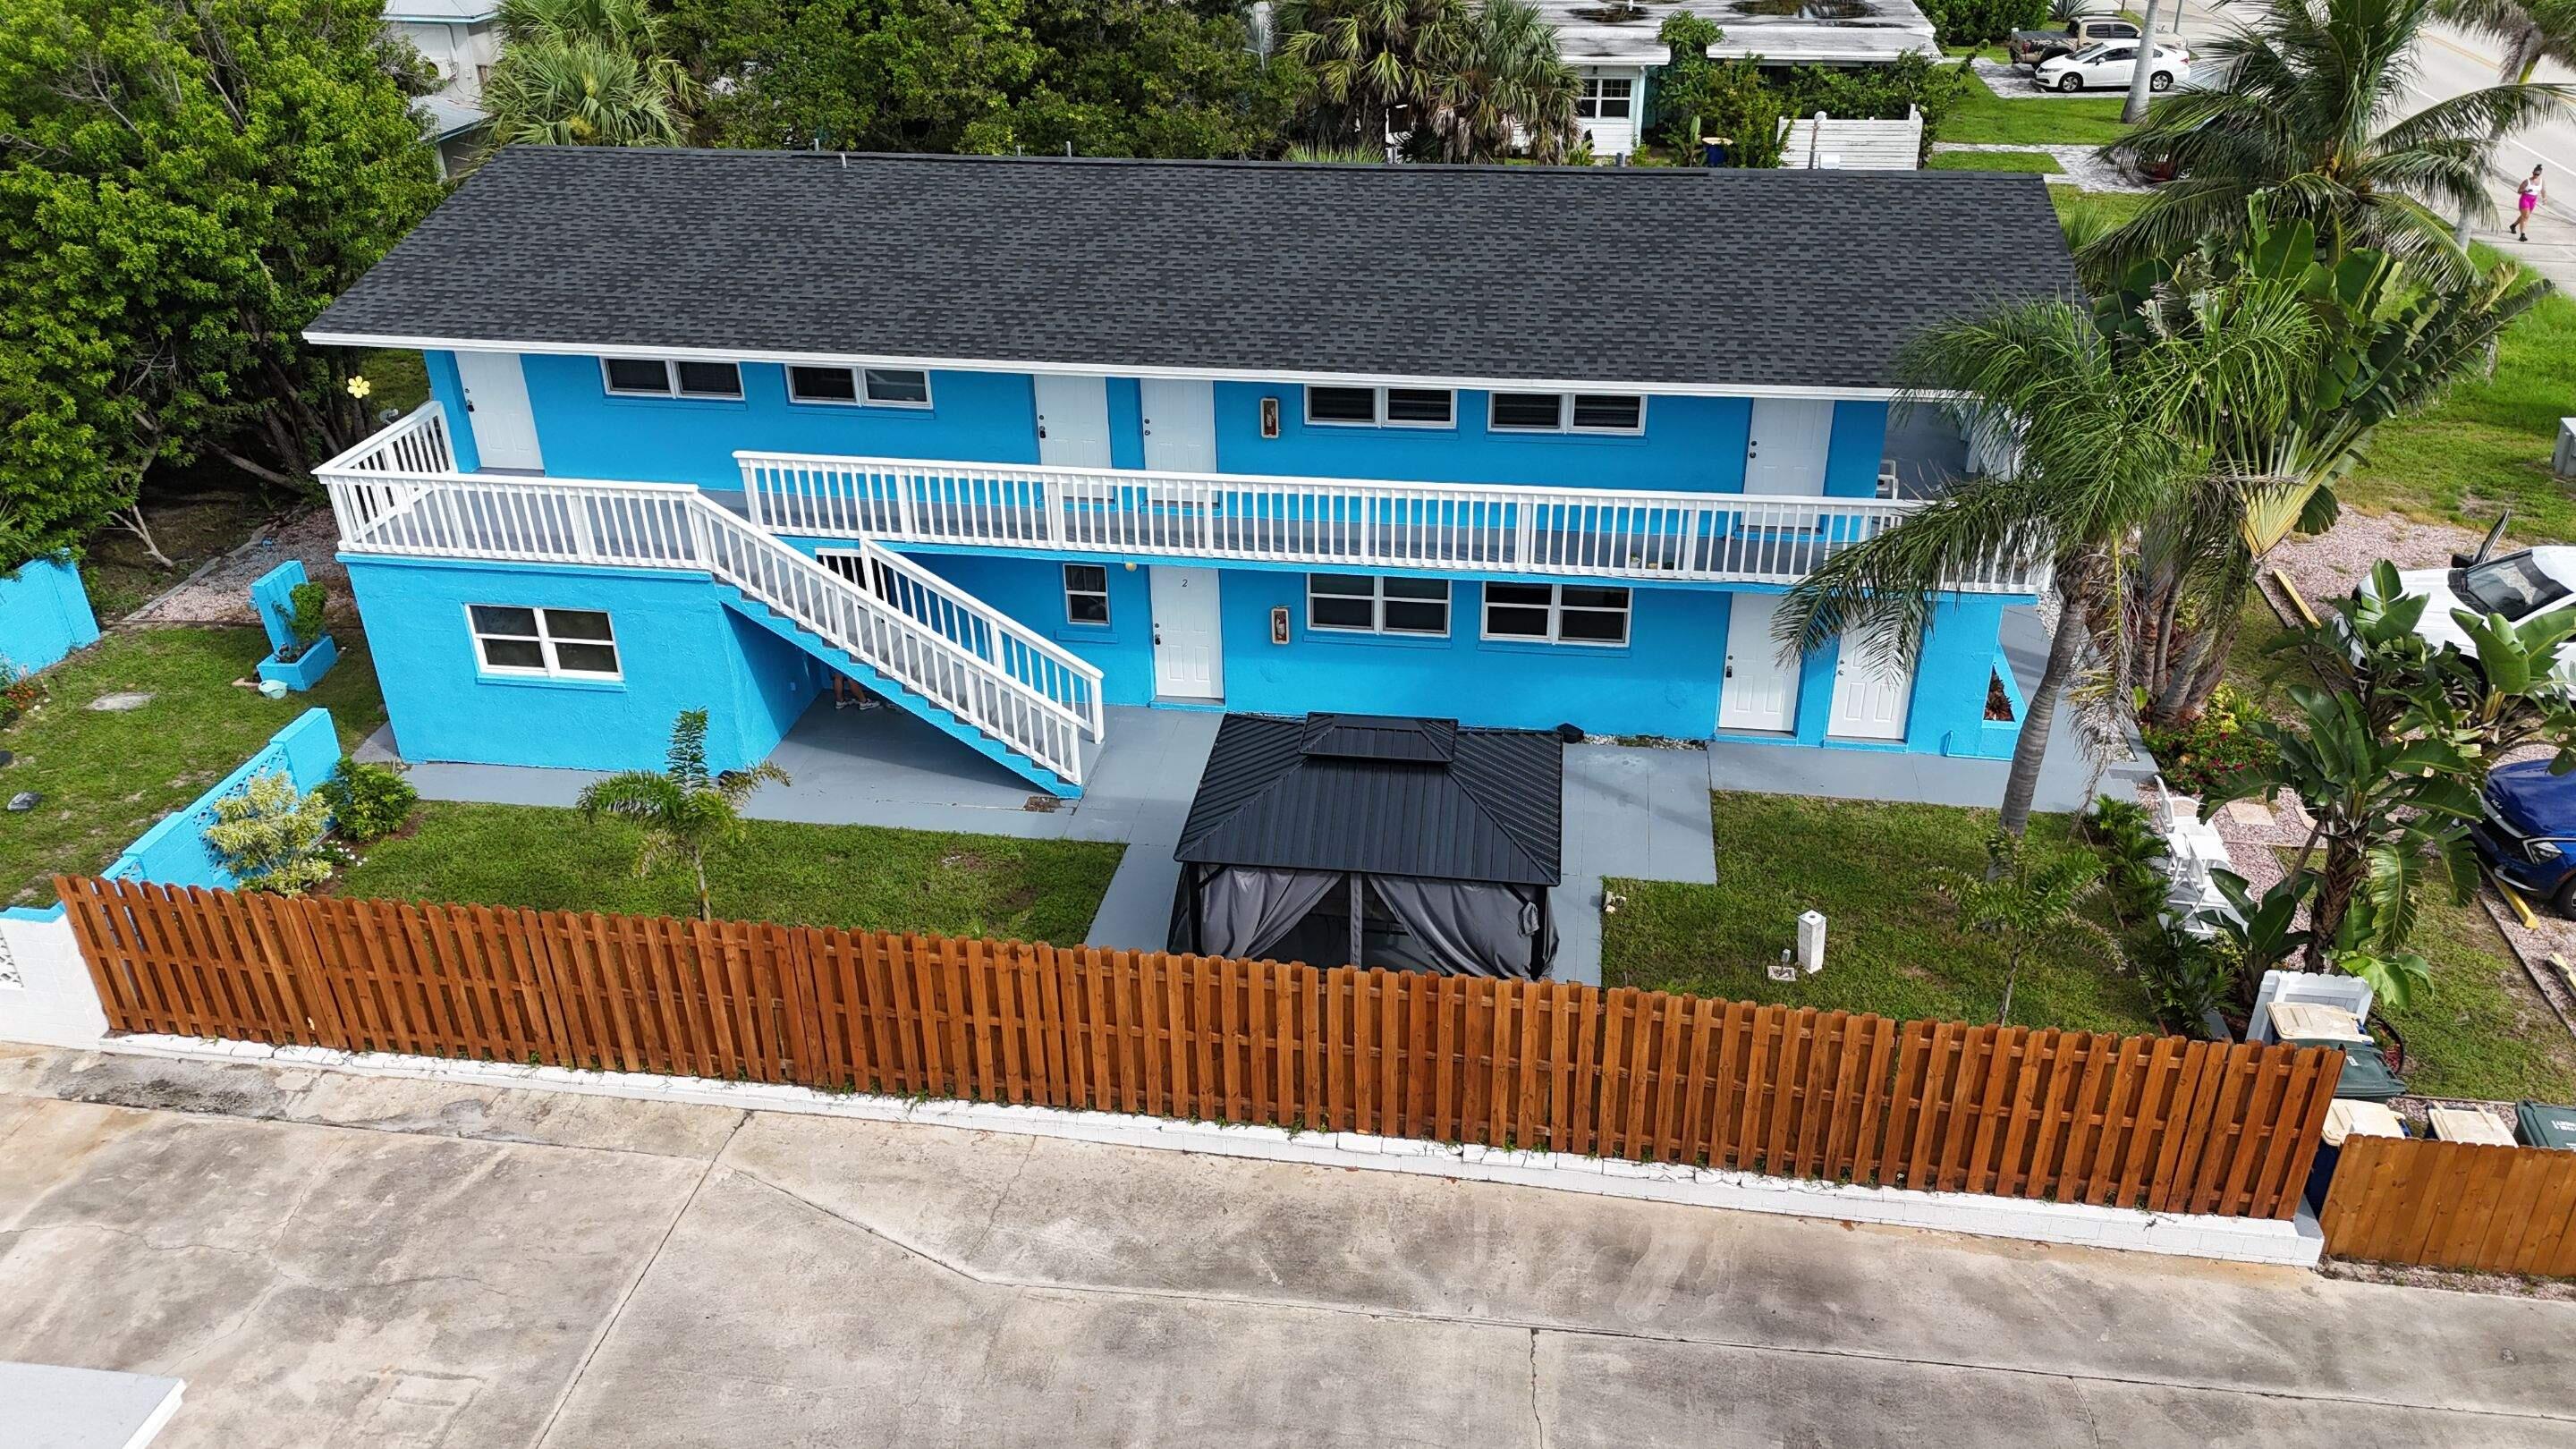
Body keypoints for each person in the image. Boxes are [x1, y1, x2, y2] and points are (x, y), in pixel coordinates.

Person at [2513, 165, 2546, 242]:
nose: (2535, 176)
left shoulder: (2541, 181)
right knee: (2526, 217)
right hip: (2525, 199)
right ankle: (2522, 235)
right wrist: (2525, 191)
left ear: (2540, 174)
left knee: (2524, 216)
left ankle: (2513, 225)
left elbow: (2543, 191)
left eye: (2537, 174)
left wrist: (2544, 198)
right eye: (2534, 174)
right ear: (2532, 173)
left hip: (2533, 200)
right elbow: (2519, 191)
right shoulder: (2527, 181)